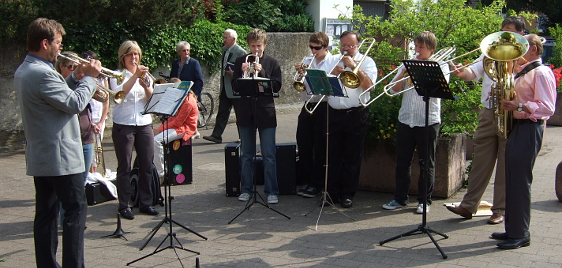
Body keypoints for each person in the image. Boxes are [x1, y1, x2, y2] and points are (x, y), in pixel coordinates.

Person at [14, 17, 101, 268]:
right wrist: (90, 79)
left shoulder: (26, 69)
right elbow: (74, 104)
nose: (61, 48)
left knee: (46, 215)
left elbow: (55, 97)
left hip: (42, 157)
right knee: (75, 212)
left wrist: (75, 79)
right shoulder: (42, 73)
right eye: (58, 43)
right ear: (45, 43)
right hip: (61, 158)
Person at [446, 16, 526, 224]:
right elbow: (472, 73)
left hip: (511, 113)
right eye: (502, 31)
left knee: (504, 163)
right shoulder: (489, 52)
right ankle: (469, 205)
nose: (503, 36)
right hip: (489, 111)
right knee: (481, 160)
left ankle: (500, 209)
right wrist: (461, 72)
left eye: (509, 32)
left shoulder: (525, 57)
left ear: (520, 34)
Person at [491, 34, 556, 249]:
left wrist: (518, 107)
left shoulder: (541, 72)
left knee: (520, 182)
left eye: (522, 48)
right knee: (512, 179)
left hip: (530, 128)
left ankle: (520, 234)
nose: (516, 53)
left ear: (535, 50)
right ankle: (513, 229)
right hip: (518, 128)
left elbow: (547, 107)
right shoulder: (522, 72)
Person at [381, 31, 450, 214]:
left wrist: (420, 73)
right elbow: (393, 90)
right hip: (406, 118)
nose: (417, 50)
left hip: (428, 120)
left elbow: (437, 91)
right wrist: (402, 73)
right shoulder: (407, 63)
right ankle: (399, 198)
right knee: (402, 161)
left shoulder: (441, 65)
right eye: (416, 46)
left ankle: (424, 200)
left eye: (422, 47)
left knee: (427, 162)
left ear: (431, 49)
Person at [109, 40, 158, 220]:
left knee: (146, 164)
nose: (134, 57)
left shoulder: (145, 75)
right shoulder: (116, 75)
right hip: (124, 123)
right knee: (125, 166)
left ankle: (145, 202)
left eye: (136, 54)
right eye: (130, 54)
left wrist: (146, 85)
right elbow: (118, 96)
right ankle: (125, 205)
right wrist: (135, 76)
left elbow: (151, 100)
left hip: (144, 122)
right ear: (123, 57)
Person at [327, 31, 377, 208]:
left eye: (350, 46)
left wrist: (355, 66)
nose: (346, 49)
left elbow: (370, 86)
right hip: (333, 113)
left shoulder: (367, 61)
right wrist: (331, 73)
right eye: (343, 45)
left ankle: (347, 194)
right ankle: (331, 193)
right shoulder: (333, 59)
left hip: (356, 114)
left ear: (358, 45)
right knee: (332, 155)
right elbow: (322, 86)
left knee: (351, 156)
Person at [232, 28, 282, 204]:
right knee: (246, 154)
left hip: (266, 112)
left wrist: (262, 73)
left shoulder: (272, 62)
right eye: (252, 46)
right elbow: (234, 87)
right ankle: (246, 189)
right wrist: (241, 73)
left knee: (269, 155)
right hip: (246, 111)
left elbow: (276, 86)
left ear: (265, 44)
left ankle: (272, 191)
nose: (255, 50)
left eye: (259, 46)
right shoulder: (241, 60)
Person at [294, 32, 336, 198]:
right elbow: (300, 84)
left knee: (320, 146)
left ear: (326, 47)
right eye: (311, 47)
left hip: (324, 106)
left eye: (317, 48)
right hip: (307, 104)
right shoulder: (307, 60)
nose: (313, 51)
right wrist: (299, 74)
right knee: (303, 142)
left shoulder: (333, 61)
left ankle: (317, 184)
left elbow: (332, 85)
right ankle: (306, 179)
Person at [55, 51, 95, 183]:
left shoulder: (81, 82)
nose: (75, 70)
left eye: (77, 67)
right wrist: (88, 79)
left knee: (82, 181)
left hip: (86, 137)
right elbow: (75, 104)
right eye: (72, 67)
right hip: (69, 140)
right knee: (69, 185)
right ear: (61, 66)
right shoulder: (58, 83)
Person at [203, 29, 247, 144]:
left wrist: (232, 73)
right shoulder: (224, 50)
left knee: (240, 114)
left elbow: (245, 72)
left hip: (235, 88)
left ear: (233, 39)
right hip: (224, 87)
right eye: (224, 37)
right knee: (222, 112)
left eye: (226, 38)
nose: (224, 40)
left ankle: (243, 137)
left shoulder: (241, 52)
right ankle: (216, 136)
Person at [153, 77, 199, 178]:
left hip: (185, 128)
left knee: (156, 141)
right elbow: (171, 118)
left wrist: (160, 130)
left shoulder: (188, 102)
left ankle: (160, 173)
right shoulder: (180, 97)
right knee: (152, 138)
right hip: (178, 126)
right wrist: (159, 128)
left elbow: (177, 122)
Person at [81, 50, 110, 174]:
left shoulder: (103, 78)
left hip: (100, 119)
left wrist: (102, 121)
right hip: (88, 120)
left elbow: (106, 100)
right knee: (89, 152)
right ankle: (89, 178)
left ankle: (93, 177)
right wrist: (91, 122)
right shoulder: (82, 78)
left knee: (96, 155)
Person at [170, 41, 203, 139]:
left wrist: (195, 94)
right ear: (179, 52)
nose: (186, 52)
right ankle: (192, 131)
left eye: (188, 50)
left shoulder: (194, 63)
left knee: (190, 111)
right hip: (179, 91)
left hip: (190, 91)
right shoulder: (175, 63)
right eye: (184, 50)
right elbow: (172, 77)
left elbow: (199, 80)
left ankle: (194, 131)